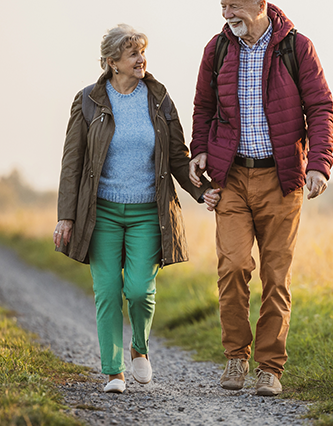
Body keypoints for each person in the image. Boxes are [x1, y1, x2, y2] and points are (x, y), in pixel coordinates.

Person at [188, 0, 333, 396]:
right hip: (232, 177)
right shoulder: (217, 50)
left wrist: (319, 164)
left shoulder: (296, 47)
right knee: (233, 266)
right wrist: (200, 150)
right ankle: (236, 356)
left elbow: (321, 107)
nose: (226, 15)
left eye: (233, 6)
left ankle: (270, 367)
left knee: (275, 275)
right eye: (223, 7)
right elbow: (203, 107)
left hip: (281, 178)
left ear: (259, 6)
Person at [55, 24, 220, 393]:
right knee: (108, 291)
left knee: (140, 291)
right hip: (101, 214)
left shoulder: (158, 99)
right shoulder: (88, 101)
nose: (141, 59)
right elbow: (72, 163)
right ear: (112, 62)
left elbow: (177, 156)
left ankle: (139, 348)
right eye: (133, 54)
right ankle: (114, 372)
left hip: (148, 212)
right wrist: (66, 216)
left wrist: (203, 190)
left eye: (143, 52)